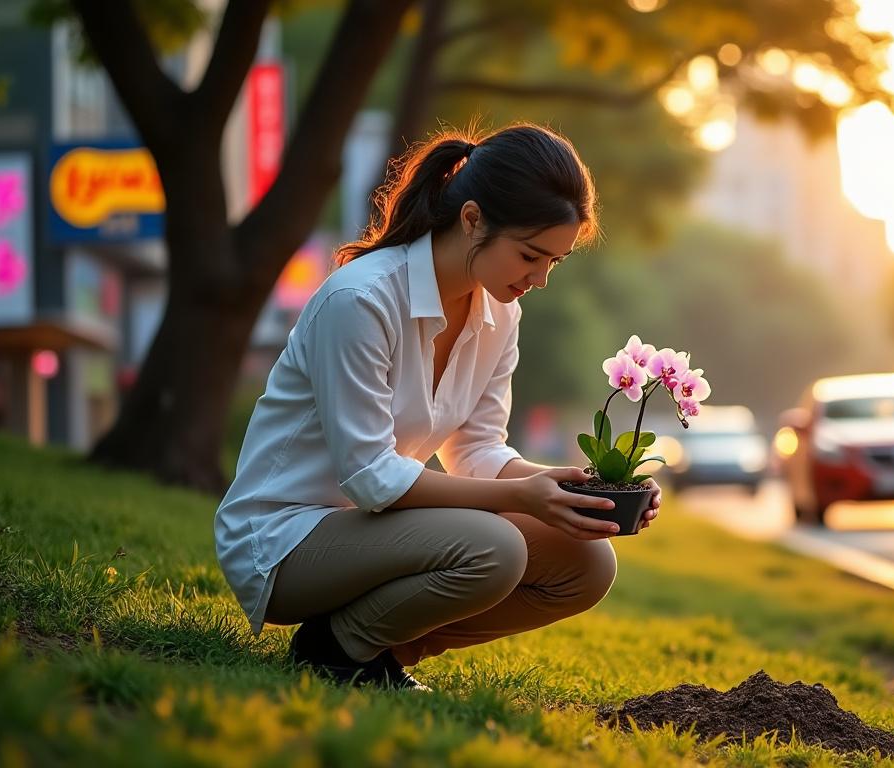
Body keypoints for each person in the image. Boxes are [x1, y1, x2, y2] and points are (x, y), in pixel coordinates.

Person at [214, 124, 660, 691]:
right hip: (284, 541)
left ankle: (375, 652)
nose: (540, 278)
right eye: (530, 254)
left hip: (375, 533)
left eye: (555, 261)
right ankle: (332, 648)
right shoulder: (362, 300)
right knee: (494, 548)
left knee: (586, 564)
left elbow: (476, 450)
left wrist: (582, 493)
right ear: (472, 219)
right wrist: (520, 497)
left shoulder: (500, 314)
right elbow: (371, 478)